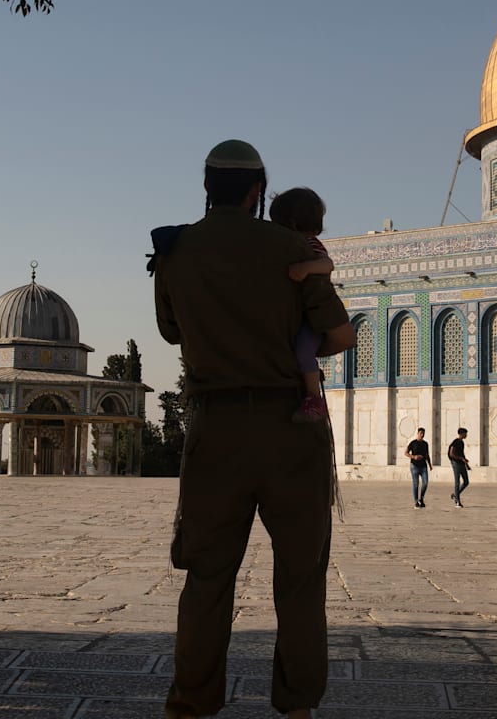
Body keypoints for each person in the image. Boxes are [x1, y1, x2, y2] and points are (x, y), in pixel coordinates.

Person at [153, 139, 355, 719]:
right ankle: (296, 707)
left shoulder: (174, 250)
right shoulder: (293, 248)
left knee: (207, 578)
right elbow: (340, 336)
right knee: (299, 579)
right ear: (257, 191)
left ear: (206, 188)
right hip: (291, 429)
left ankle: (191, 702)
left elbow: (170, 331)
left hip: (214, 430)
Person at [269, 187, 335, 423]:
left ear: (292, 224)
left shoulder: (309, 244)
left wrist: (307, 268)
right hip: (300, 317)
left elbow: (327, 264)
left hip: (312, 319)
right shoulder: (291, 245)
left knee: (303, 352)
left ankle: (314, 400)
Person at [405, 427, 431, 508]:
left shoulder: (425, 444)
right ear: (418, 434)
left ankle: (421, 498)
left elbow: (427, 455)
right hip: (414, 466)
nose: (422, 435)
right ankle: (416, 501)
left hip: (423, 466)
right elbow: (406, 453)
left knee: (425, 483)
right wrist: (413, 457)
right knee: (416, 484)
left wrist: (430, 464)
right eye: (421, 433)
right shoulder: (413, 443)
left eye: (423, 433)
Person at [447, 427, 470, 507]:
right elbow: (451, 454)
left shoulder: (462, 443)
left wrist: (467, 464)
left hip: (461, 463)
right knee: (457, 482)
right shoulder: (455, 442)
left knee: (466, 481)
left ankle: (455, 495)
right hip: (456, 463)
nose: (466, 435)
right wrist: (460, 459)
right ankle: (457, 501)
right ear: (461, 434)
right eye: (465, 433)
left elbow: (462, 453)